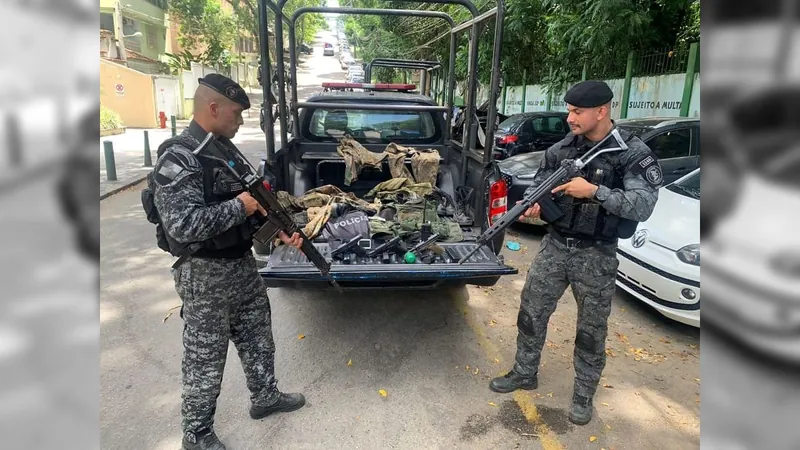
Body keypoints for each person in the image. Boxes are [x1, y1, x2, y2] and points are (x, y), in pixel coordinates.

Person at [488, 80, 662, 425]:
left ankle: (583, 396)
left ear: (602, 111)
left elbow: (643, 206)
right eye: (568, 110)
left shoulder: (632, 153)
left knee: (591, 331)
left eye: (576, 111)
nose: (569, 117)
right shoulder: (563, 150)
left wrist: (594, 191)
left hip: (596, 255)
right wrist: (536, 207)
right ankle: (525, 372)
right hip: (554, 245)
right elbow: (541, 186)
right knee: (531, 314)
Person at [150, 74, 306, 450]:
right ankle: (197, 434)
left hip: (241, 265)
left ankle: (265, 396)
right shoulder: (180, 156)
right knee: (206, 356)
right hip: (203, 272)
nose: (240, 121)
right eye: (235, 113)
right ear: (213, 107)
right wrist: (241, 206)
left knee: (258, 336)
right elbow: (183, 225)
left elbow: (257, 201)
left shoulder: (225, 150)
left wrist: (281, 228)